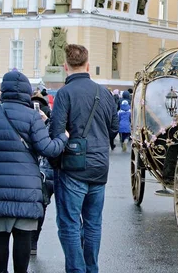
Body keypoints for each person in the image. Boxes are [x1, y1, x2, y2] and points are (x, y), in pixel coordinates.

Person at [0, 70, 67, 273]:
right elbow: (47, 149)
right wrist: (63, 138)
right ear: (26, 91)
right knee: (23, 235)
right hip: (27, 186)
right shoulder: (33, 117)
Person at [49, 44, 119, 273]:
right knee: (93, 224)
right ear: (88, 65)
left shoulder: (64, 94)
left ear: (65, 67)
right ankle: (92, 268)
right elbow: (114, 128)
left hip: (72, 167)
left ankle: (77, 270)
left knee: (69, 224)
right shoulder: (104, 92)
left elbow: (56, 133)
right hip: (99, 168)